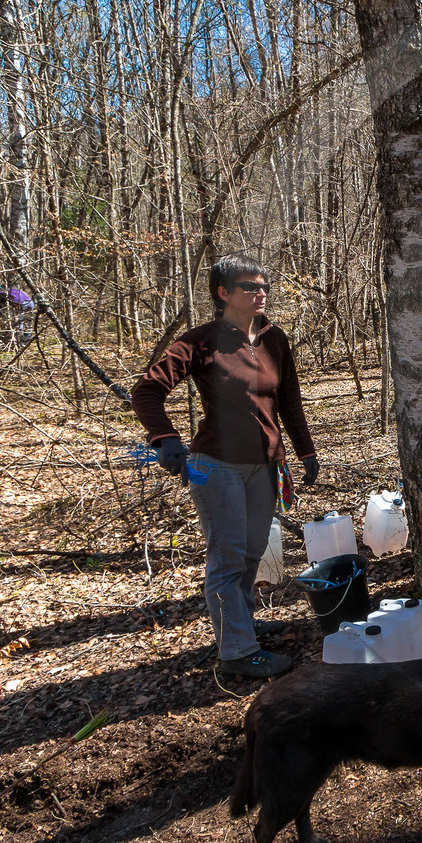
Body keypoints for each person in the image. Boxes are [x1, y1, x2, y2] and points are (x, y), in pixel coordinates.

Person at [131, 253, 319, 678]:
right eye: (250, 286)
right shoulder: (200, 341)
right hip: (217, 466)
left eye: (263, 285)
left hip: (266, 465)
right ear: (223, 293)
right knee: (227, 558)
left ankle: (240, 629)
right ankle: (236, 652)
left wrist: (305, 450)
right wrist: (166, 438)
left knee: (252, 553)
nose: (260, 293)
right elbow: (147, 391)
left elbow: (289, 400)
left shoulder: (275, 338)